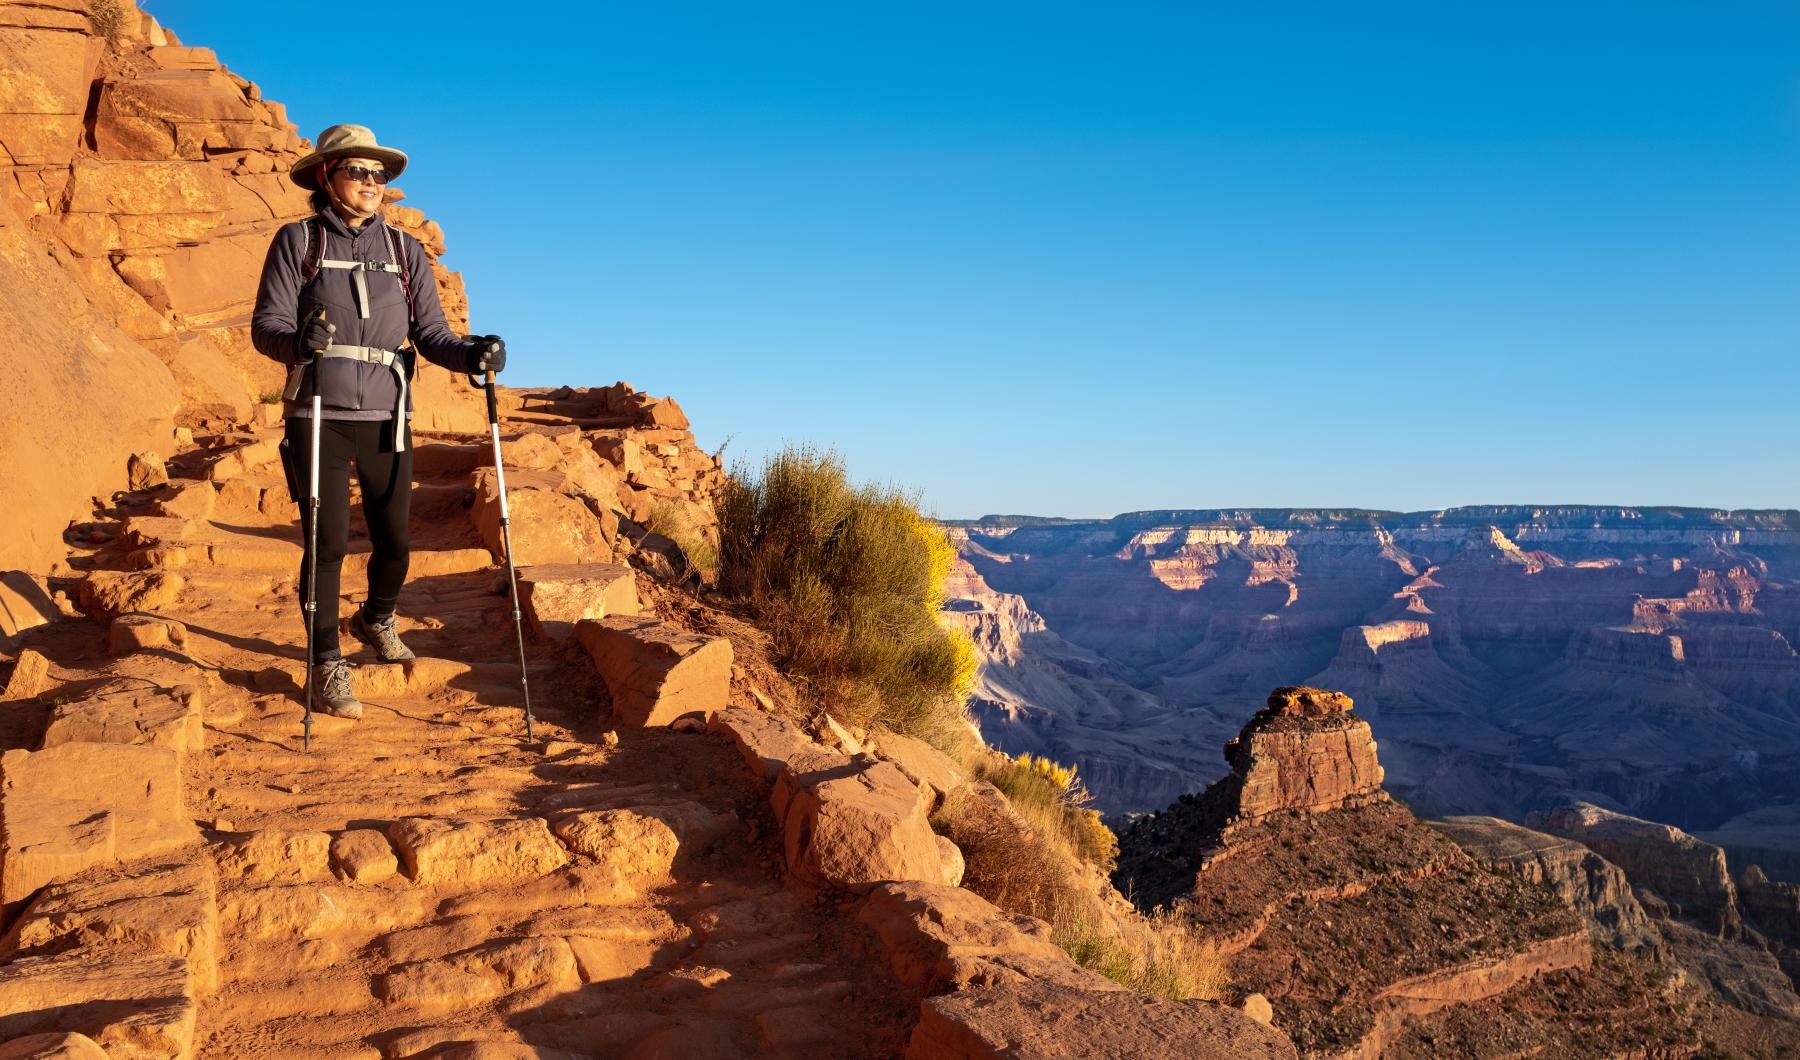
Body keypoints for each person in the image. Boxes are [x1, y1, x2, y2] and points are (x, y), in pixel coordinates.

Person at [252, 123, 506, 720]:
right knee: (328, 542)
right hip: (318, 413)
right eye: (359, 171)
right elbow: (266, 327)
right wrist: (297, 342)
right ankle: (324, 662)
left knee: (395, 540)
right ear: (327, 176)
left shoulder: (404, 252)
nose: (372, 183)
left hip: (388, 417)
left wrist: (472, 355)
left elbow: (432, 335)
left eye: (379, 174)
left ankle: (377, 617)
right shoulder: (299, 242)